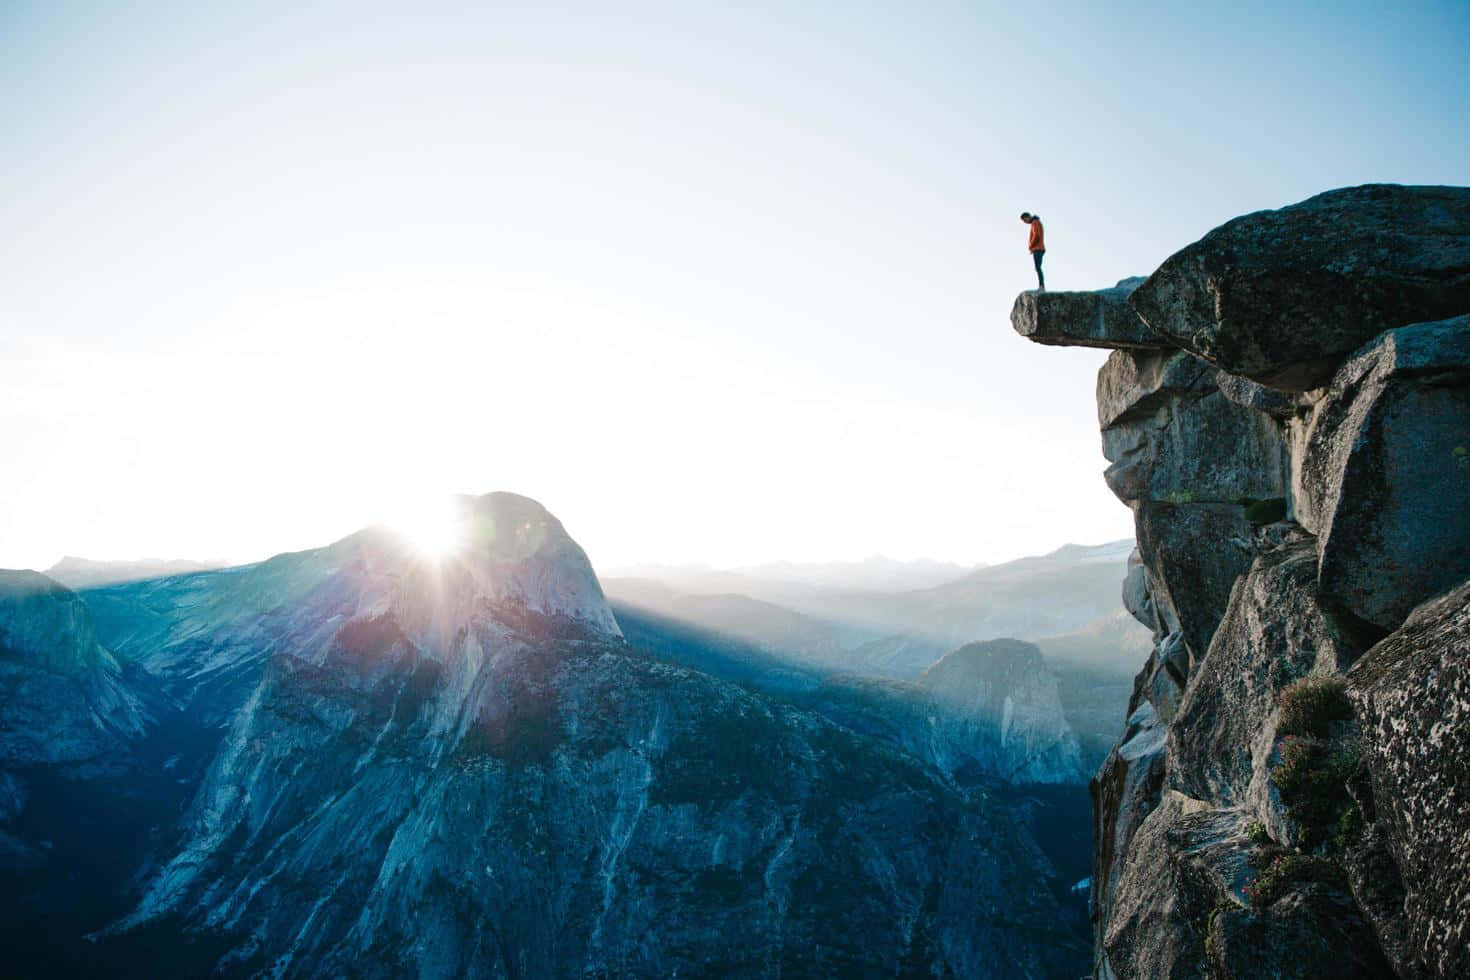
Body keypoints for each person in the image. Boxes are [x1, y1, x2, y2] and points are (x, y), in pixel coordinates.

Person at [1020, 212, 1045, 290]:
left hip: (1037, 248)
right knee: (1038, 267)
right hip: (1039, 248)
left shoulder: (1034, 223)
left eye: (1025, 220)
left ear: (1028, 217)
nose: (1025, 222)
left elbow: (1036, 235)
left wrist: (1030, 246)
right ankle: (1041, 285)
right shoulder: (1036, 222)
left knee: (1038, 267)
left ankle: (1041, 286)